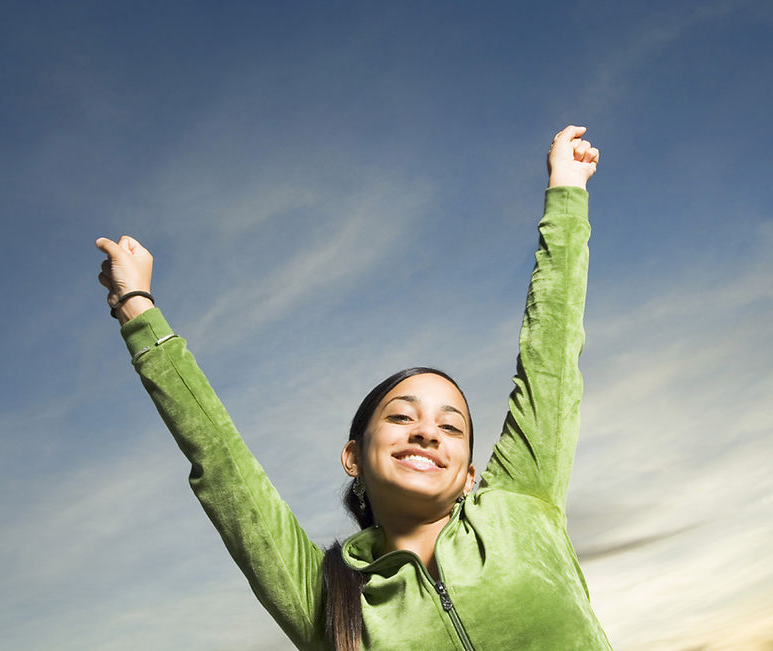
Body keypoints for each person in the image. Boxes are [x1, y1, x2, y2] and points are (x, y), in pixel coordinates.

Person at [96, 125, 611, 650]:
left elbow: (551, 355)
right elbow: (224, 466)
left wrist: (566, 193)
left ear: (470, 475)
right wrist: (137, 306)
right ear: (353, 456)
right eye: (401, 417)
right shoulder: (326, 596)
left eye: (450, 426)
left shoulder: (520, 503)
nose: (428, 433)